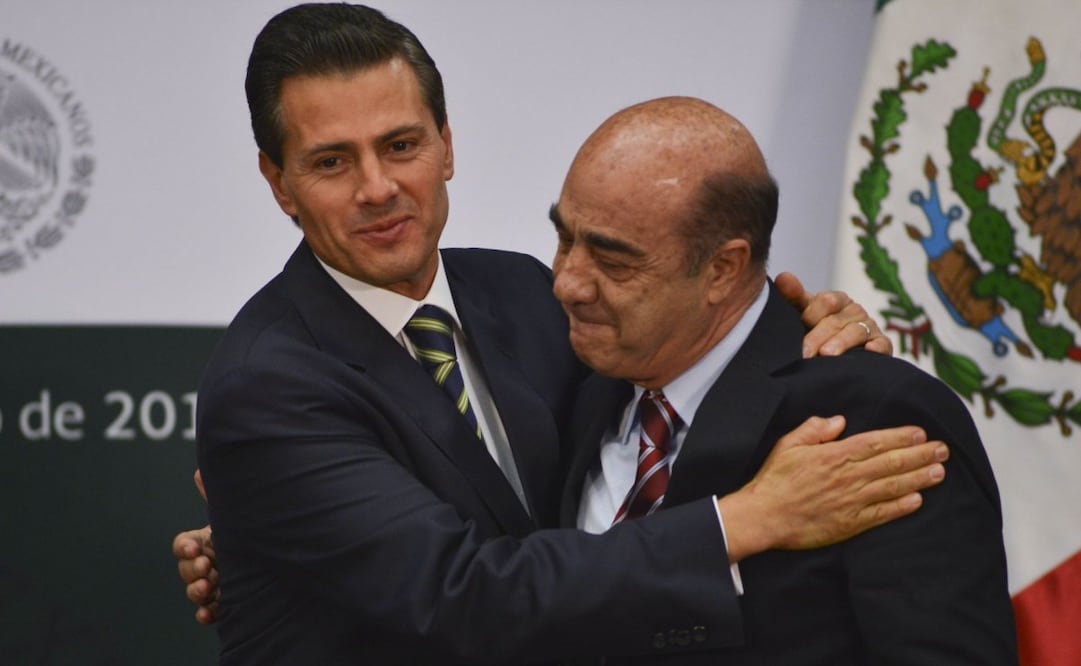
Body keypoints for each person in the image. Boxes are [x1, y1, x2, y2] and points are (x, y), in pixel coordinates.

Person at [176, 4, 950, 664]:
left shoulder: (523, 293)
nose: (378, 188)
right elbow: (462, 595)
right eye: (332, 162)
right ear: (279, 183)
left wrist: (788, 331)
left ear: (447, 144)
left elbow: (671, 374)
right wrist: (748, 519)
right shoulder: (266, 384)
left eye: (401, 145)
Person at [551, 96, 1017, 663]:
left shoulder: (875, 419)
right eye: (564, 238)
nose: (568, 282)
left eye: (614, 263)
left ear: (723, 268)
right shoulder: (559, 368)